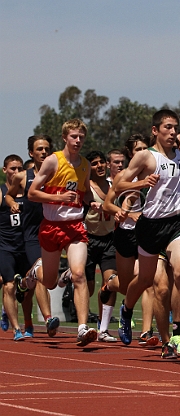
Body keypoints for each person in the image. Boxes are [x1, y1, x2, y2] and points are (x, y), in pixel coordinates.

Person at [115, 109, 180, 358]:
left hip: (175, 223)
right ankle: (127, 308)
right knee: (147, 282)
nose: (173, 132)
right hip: (150, 226)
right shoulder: (145, 157)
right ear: (155, 131)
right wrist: (140, 184)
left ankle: (175, 334)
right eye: (168, 128)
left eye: (175, 127)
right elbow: (119, 184)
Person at [28, 119, 101, 347]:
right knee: (49, 283)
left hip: (75, 226)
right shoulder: (53, 161)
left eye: (81, 137)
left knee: (79, 274)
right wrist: (57, 198)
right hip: (51, 226)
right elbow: (31, 193)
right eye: (74, 137)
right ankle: (37, 270)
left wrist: (93, 203)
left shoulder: (85, 165)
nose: (78, 141)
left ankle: (82, 328)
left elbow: (85, 192)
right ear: (65, 138)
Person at [101, 134, 159, 346]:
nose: (143, 153)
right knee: (126, 286)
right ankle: (110, 285)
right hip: (125, 234)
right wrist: (122, 212)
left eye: (145, 148)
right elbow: (107, 204)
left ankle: (145, 331)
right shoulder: (123, 176)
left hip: (147, 233)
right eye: (138, 150)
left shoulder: (156, 172)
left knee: (148, 280)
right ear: (130, 154)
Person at [5, 135, 60, 338]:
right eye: (39, 149)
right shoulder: (23, 177)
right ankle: (48, 319)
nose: (44, 152)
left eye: (47, 148)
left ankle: (23, 284)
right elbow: (9, 194)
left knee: (46, 279)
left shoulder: (56, 175)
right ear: (31, 153)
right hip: (32, 236)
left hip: (55, 232)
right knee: (42, 275)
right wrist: (11, 202)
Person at [83, 150, 119, 342]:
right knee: (87, 288)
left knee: (111, 283)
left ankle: (103, 329)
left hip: (108, 240)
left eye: (101, 162)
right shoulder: (86, 186)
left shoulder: (113, 185)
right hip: (88, 239)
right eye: (94, 163)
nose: (99, 166)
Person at [0, 155, 29, 341]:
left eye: (20, 168)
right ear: (5, 170)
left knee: (27, 286)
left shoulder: (29, 192)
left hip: (26, 247)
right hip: (5, 247)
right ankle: (17, 328)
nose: (16, 172)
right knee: (8, 285)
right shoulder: (2, 192)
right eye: (12, 169)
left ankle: (11, 312)